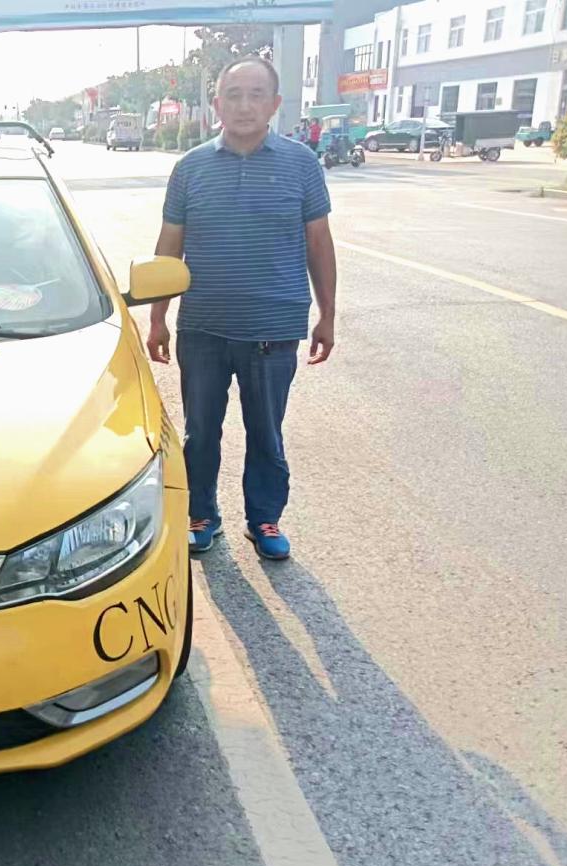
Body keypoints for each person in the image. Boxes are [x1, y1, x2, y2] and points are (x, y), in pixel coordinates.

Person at [145, 56, 337, 560]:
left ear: (275, 104)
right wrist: (158, 317)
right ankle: (201, 514)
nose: (244, 105)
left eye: (256, 95)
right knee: (200, 432)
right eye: (234, 95)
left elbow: (319, 242)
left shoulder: (301, 164)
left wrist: (328, 314)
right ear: (217, 104)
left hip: (274, 327)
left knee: (266, 433)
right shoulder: (190, 169)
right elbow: (169, 246)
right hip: (203, 328)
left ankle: (265, 519)